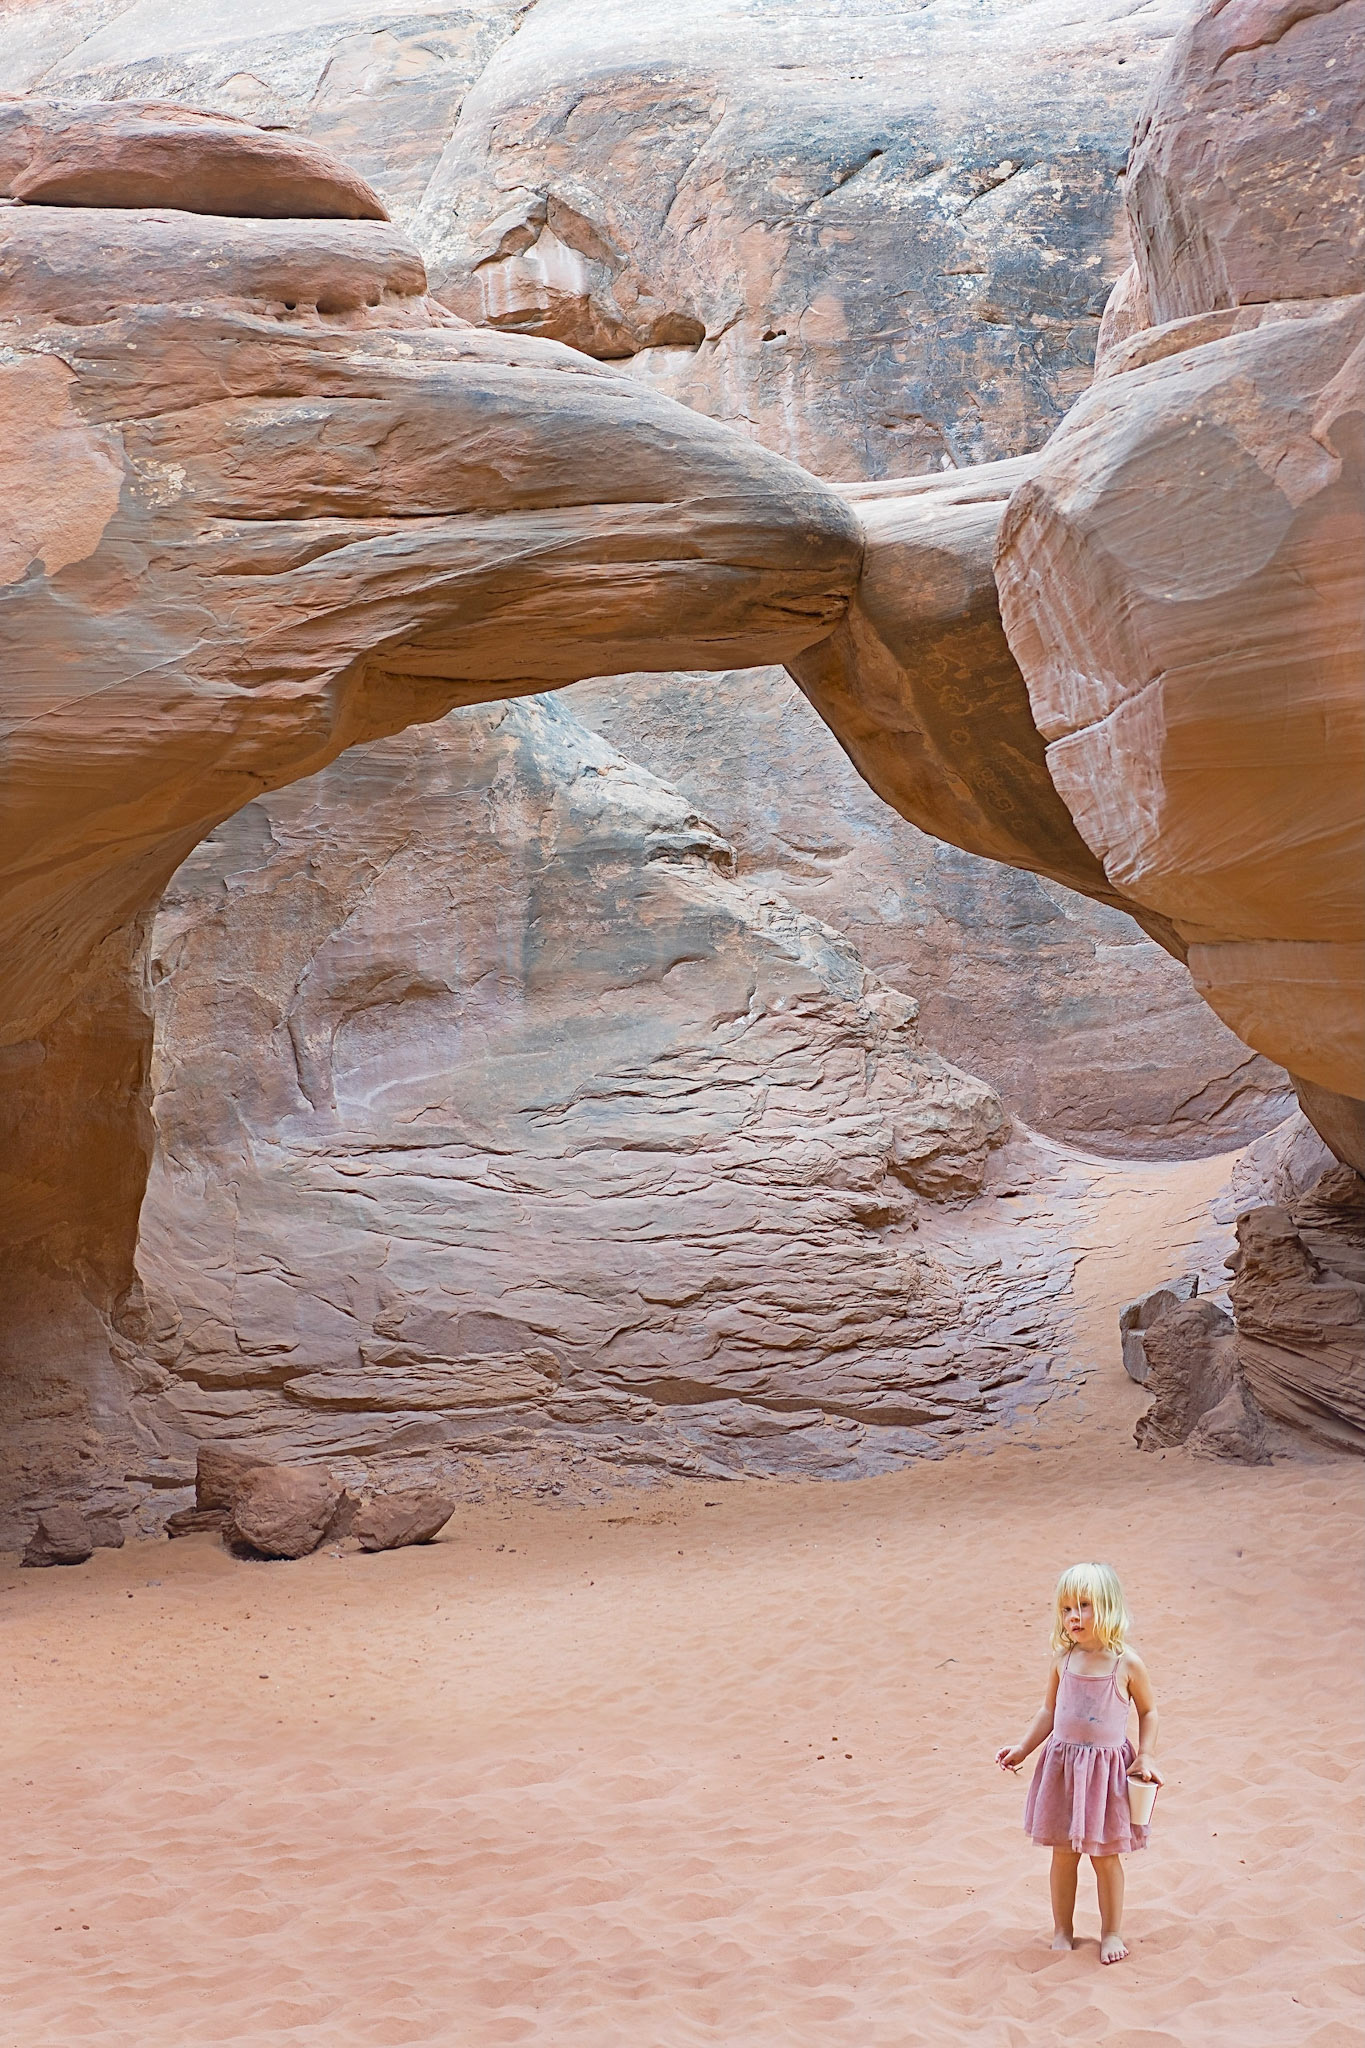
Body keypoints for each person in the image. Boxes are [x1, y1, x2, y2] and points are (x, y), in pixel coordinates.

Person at [995, 1561, 1161, 1963]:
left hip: (1105, 1776)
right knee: (1063, 1855)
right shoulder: (1062, 1660)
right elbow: (1049, 1711)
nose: (1074, 1616)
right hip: (1064, 1772)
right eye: (1066, 1608)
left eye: (1084, 1606)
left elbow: (1149, 1711)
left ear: (1109, 1607)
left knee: (1105, 1857)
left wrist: (1146, 1754)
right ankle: (1062, 1930)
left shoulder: (1126, 1664)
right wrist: (1023, 1748)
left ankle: (1111, 1933)